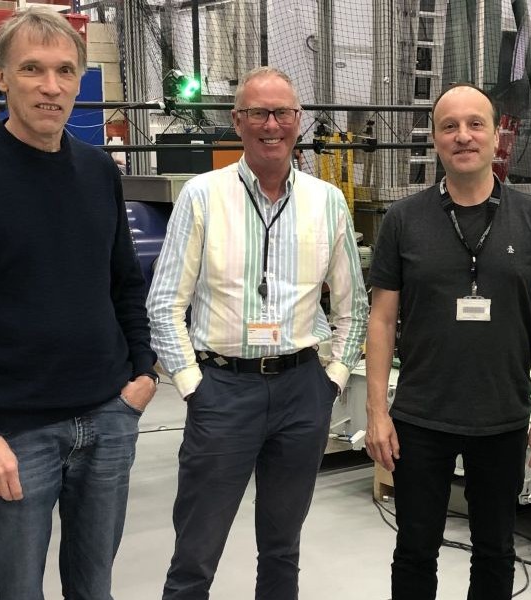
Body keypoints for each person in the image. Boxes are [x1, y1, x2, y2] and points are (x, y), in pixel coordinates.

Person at [0, 8, 158, 599]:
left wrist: (143, 374)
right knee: (19, 589)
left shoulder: (98, 171)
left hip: (107, 418)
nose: (51, 86)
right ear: (1, 77)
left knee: (94, 587)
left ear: (78, 80)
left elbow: (124, 282)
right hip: (15, 435)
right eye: (32, 69)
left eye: (64, 71)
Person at [147, 66, 369, 600]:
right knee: (196, 553)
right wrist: (192, 385)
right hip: (223, 390)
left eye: (283, 113)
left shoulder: (326, 201)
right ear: (237, 121)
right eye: (258, 113)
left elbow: (353, 305)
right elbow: (162, 304)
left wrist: (332, 379)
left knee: (282, 547)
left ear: (298, 121)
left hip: (301, 392)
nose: (272, 125)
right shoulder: (202, 197)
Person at [365, 83, 531, 600]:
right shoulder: (403, 220)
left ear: (496, 133)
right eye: (449, 126)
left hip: (501, 417)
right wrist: (376, 413)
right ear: (434, 139)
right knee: (414, 549)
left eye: (475, 124)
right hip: (420, 417)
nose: (463, 136)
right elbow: (382, 321)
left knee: (496, 549)